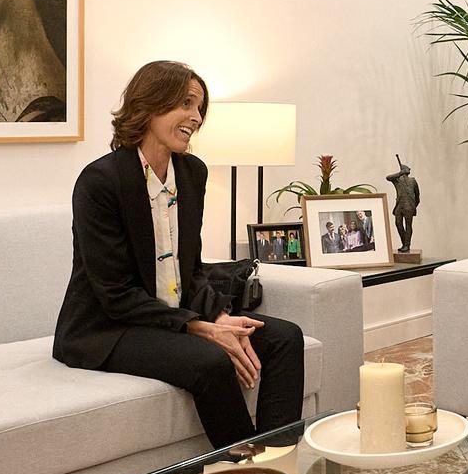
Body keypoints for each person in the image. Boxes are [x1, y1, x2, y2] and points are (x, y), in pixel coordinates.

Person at [53, 61, 306, 449]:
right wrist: (200, 328)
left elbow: (190, 268)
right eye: (186, 104)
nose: (197, 117)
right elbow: (115, 294)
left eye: (200, 108)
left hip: (172, 312)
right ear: (150, 105)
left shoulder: (192, 174)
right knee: (210, 361)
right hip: (107, 328)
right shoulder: (101, 181)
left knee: (285, 337)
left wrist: (219, 315)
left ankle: (277, 459)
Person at [386, 159, 420, 252]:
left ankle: (407, 245)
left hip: (409, 206)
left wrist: (413, 205)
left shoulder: (413, 181)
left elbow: (417, 196)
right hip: (399, 206)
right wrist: (400, 173)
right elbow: (388, 177)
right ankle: (404, 243)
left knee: (408, 225)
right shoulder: (397, 180)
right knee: (398, 224)